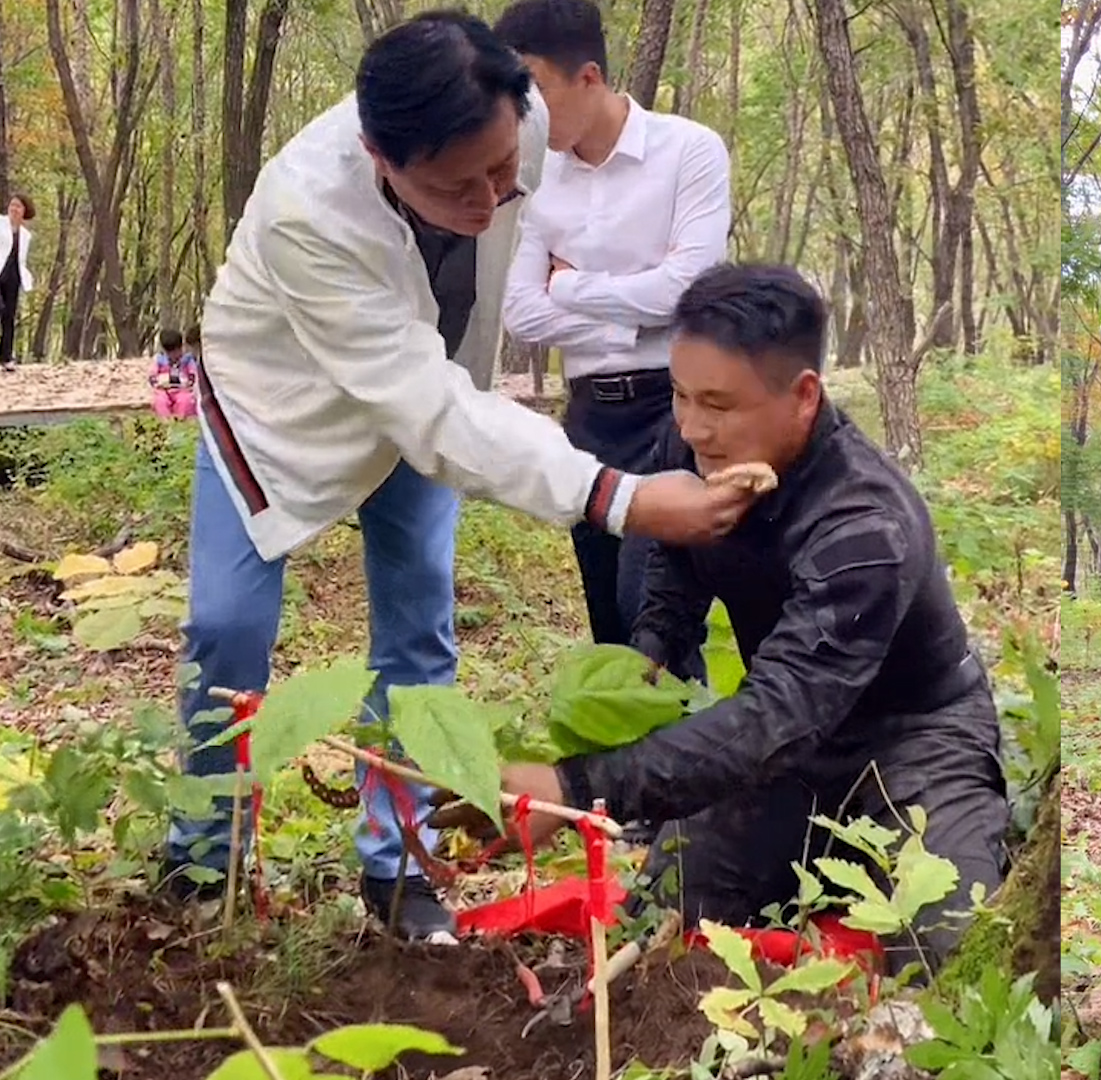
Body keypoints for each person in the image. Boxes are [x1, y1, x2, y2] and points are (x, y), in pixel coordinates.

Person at [164, 11, 761, 940]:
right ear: (380, 158)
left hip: (432, 400)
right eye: (459, 185)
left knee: (418, 635)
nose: (492, 201)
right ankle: (204, 860)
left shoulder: (514, 119)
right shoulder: (305, 211)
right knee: (227, 630)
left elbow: (447, 395)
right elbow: (424, 407)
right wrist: (624, 497)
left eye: (502, 173)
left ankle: (398, 869)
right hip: (283, 412)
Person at [430, 263, 1010, 975]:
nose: (693, 427)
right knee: (663, 913)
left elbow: (775, 716)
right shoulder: (694, 447)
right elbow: (681, 555)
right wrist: (656, 645)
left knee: (954, 949)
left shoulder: (863, 527)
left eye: (719, 404)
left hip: (913, 739)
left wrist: (575, 789)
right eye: (679, 395)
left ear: (802, 397)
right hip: (792, 753)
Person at [496, 0, 731, 658]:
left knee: (651, 609)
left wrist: (569, 286)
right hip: (591, 420)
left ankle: (698, 755)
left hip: (673, 412)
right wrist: (635, 318)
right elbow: (520, 310)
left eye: (535, 88)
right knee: (609, 621)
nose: (525, 111)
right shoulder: (535, 180)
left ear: (589, 78)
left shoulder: (689, 152)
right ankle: (634, 760)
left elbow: (690, 292)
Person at [1, 193, 35, 371]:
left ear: (24, 212)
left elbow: (22, 259)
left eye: (18, 207)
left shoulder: (26, 235)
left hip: (13, 276)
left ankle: (6, 357)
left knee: (9, 317)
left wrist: (26, 278)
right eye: (12, 205)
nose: (14, 209)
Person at [149, 328, 199, 420]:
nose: (173, 355)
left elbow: (193, 374)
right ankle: (165, 423)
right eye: (169, 353)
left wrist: (189, 381)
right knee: (160, 401)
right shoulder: (159, 360)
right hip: (164, 390)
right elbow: (152, 375)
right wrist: (158, 381)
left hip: (182, 389)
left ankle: (182, 422)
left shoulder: (187, 360)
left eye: (176, 351)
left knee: (185, 401)